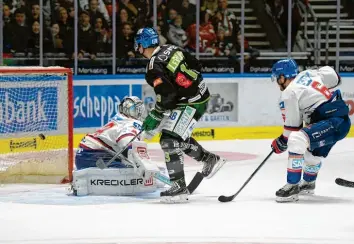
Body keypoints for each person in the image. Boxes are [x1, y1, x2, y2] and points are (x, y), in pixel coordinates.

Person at [134, 27, 227, 203]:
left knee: (168, 139)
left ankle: (178, 187)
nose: (136, 46)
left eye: (137, 43)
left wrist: (156, 114)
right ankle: (210, 159)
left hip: (191, 103)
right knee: (175, 137)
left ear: (142, 44)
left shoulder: (153, 66)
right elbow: (196, 65)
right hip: (198, 96)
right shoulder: (171, 48)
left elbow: (167, 96)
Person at [270, 59, 351, 202]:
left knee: (297, 139)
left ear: (282, 77)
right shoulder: (308, 74)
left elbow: (293, 128)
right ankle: (308, 183)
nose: (277, 83)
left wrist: (280, 142)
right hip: (340, 121)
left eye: (277, 78)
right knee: (310, 152)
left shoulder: (289, 93)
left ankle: (292, 186)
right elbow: (335, 77)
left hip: (332, 122)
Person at [72, 96, 166, 196]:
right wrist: (140, 163)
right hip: (96, 156)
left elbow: (144, 133)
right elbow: (127, 142)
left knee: (127, 161)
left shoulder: (118, 120)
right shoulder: (132, 123)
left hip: (82, 156)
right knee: (133, 169)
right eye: (138, 109)